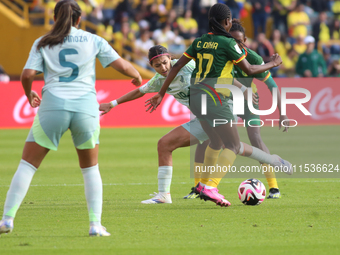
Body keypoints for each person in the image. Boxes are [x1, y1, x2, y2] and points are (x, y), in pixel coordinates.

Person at [0, 0, 142, 237]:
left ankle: (7, 219)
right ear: (78, 20)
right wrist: (137, 75)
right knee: (90, 169)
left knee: (27, 166)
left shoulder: (43, 41)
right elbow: (124, 67)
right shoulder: (93, 39)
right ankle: (95, 225)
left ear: (55, 18)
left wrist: (28, 93)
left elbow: (26, 75)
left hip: (53, 105)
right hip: (86, 107)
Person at [100, 45, 292, 204]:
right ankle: (166, 194)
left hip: (221, 108)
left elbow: (217, 75)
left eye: (165, 63)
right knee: (171, 145)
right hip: (202, 117)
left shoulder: (189, 66)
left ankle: (209, 186)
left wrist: (242, 88)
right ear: (152, 66)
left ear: (169, 58)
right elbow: (140, 91)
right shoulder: (159, 80)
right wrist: (113, 103)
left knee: (227, 146)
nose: (163, 68)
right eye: (157, 66)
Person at [145, 3, 287, 207]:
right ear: (227, 21)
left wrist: (160, 92)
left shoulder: (200, 41)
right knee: (234, 145)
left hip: (197, 97)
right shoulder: (228, 43)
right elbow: (249, 69)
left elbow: (176, 66)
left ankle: (203, 185)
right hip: (215, 98)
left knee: (214, 140)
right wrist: (273, 63)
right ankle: (209, 186)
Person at [228, 19, 289, 198]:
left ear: (245, 40)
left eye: (239, 41)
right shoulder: (223, 54)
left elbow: (272, 85)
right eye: (232, 41)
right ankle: (203, 187)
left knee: (256, 139)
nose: (236, 45)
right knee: (214, 141)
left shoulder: (253, 57)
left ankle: (274, 187)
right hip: (226, 100)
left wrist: (282, 113)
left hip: (249, 101)